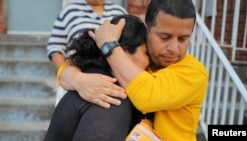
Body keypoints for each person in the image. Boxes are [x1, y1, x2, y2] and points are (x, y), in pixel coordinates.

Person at [60, 0, 209, 140]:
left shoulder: (193, 71)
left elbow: (147, 95)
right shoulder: (140, 58)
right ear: (147, 28)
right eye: (164, 37)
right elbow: (66, 69)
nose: (173, 48)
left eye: (183, 39)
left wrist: (108, 44)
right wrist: (79, 80)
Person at [44, 15, 149, 141]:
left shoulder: (88, 81)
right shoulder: (109, 98)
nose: (149, 63)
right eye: (146, 53)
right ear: (123, 52)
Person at [46, 0, 127, 104]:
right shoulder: (70, 11)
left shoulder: (120, 12)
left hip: (112, 77)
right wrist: (66, 74)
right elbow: (55, 48)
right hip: (77, 76)